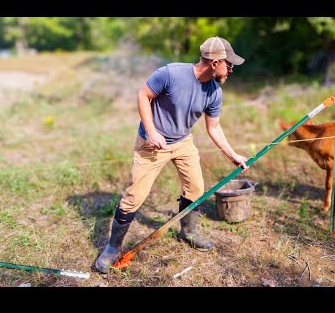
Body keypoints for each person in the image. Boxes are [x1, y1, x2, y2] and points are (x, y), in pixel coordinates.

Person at [95, 36, 249, 273]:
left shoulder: (214, 92)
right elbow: (143, 95)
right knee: (135, 197)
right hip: (152, 144)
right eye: (229, 64)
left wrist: (232, 155)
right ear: (215, 62)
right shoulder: (170, 74)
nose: (231, 68)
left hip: (183, 142)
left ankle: (188, 231)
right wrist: (152, 131)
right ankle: (112, 248)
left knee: (196, 188)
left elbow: (214, 127)